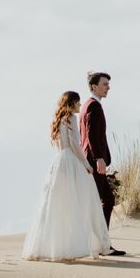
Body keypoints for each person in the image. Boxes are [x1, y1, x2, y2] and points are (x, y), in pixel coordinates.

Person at [22, 91, 111, 261]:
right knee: (80, 201)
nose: (79, 105)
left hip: (58, 162)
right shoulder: (71, 119)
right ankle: (77, 246)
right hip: (71, 162)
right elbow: (75, 146)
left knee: (58, 204)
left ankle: (53, 246)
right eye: (77, 103)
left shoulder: (58, 120)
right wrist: (86, 165)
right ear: (71, 104)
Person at [80, 71, 126, 256]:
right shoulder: (93, 106)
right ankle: (100, 244)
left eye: (108, 84)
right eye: (105, 84)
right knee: (103, 201)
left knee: (105, 200)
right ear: (94, 86)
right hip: (94, 161)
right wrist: (99, 157)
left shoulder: (88, 105)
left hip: (92, 161)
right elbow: (91, 134)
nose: (108, 87)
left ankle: (101, 243)